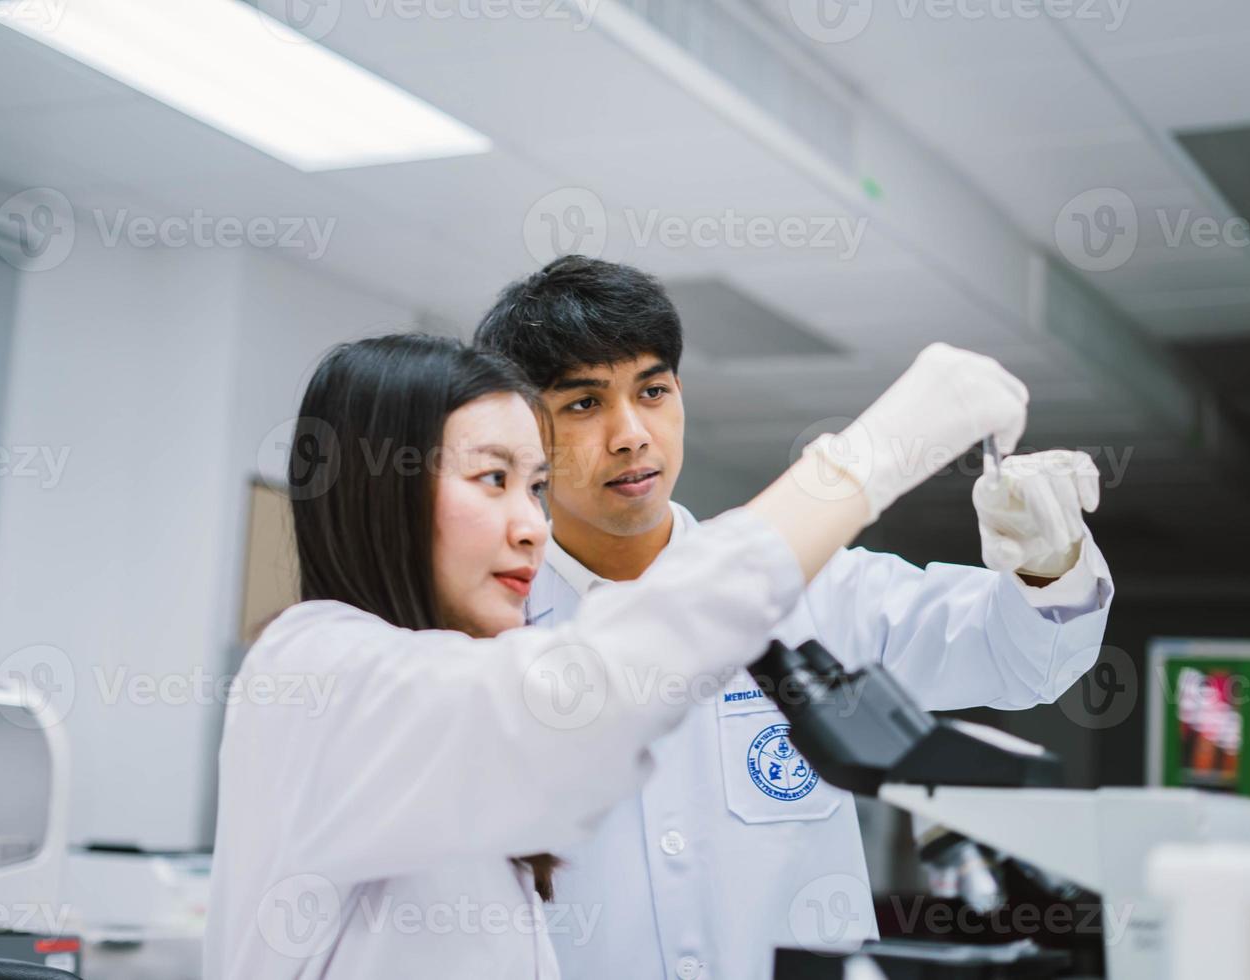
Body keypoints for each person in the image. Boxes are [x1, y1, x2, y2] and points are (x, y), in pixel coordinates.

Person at [202, 332, 1029, 980]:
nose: (532, 525)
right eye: (491, 481)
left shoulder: (449, 680)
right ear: (379, 493)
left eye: (533, 487)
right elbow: (588, 695)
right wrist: (868, 462)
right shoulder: (316, 675)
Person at [472, 256, 1114, 980]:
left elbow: (1024, 658)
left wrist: (1049, 559)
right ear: (526, 434)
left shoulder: (820, 591)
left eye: (652, 390)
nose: (631, 434)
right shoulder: (488, 633)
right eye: (584, 404)